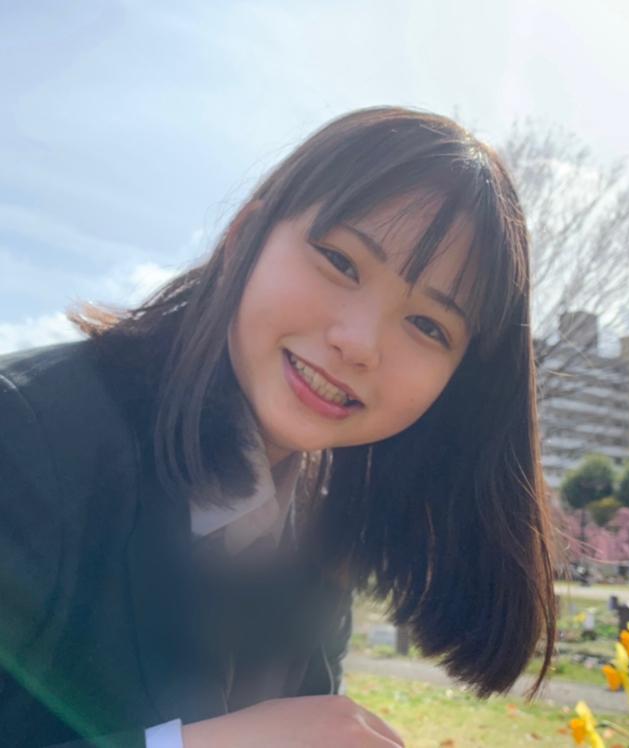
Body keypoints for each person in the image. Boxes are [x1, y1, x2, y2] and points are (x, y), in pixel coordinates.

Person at [0, 106, 557, 747]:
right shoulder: (25, 433)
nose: (359, 343)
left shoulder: (320, 518)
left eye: (428, 326)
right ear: (245, 237)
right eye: (341, 262)